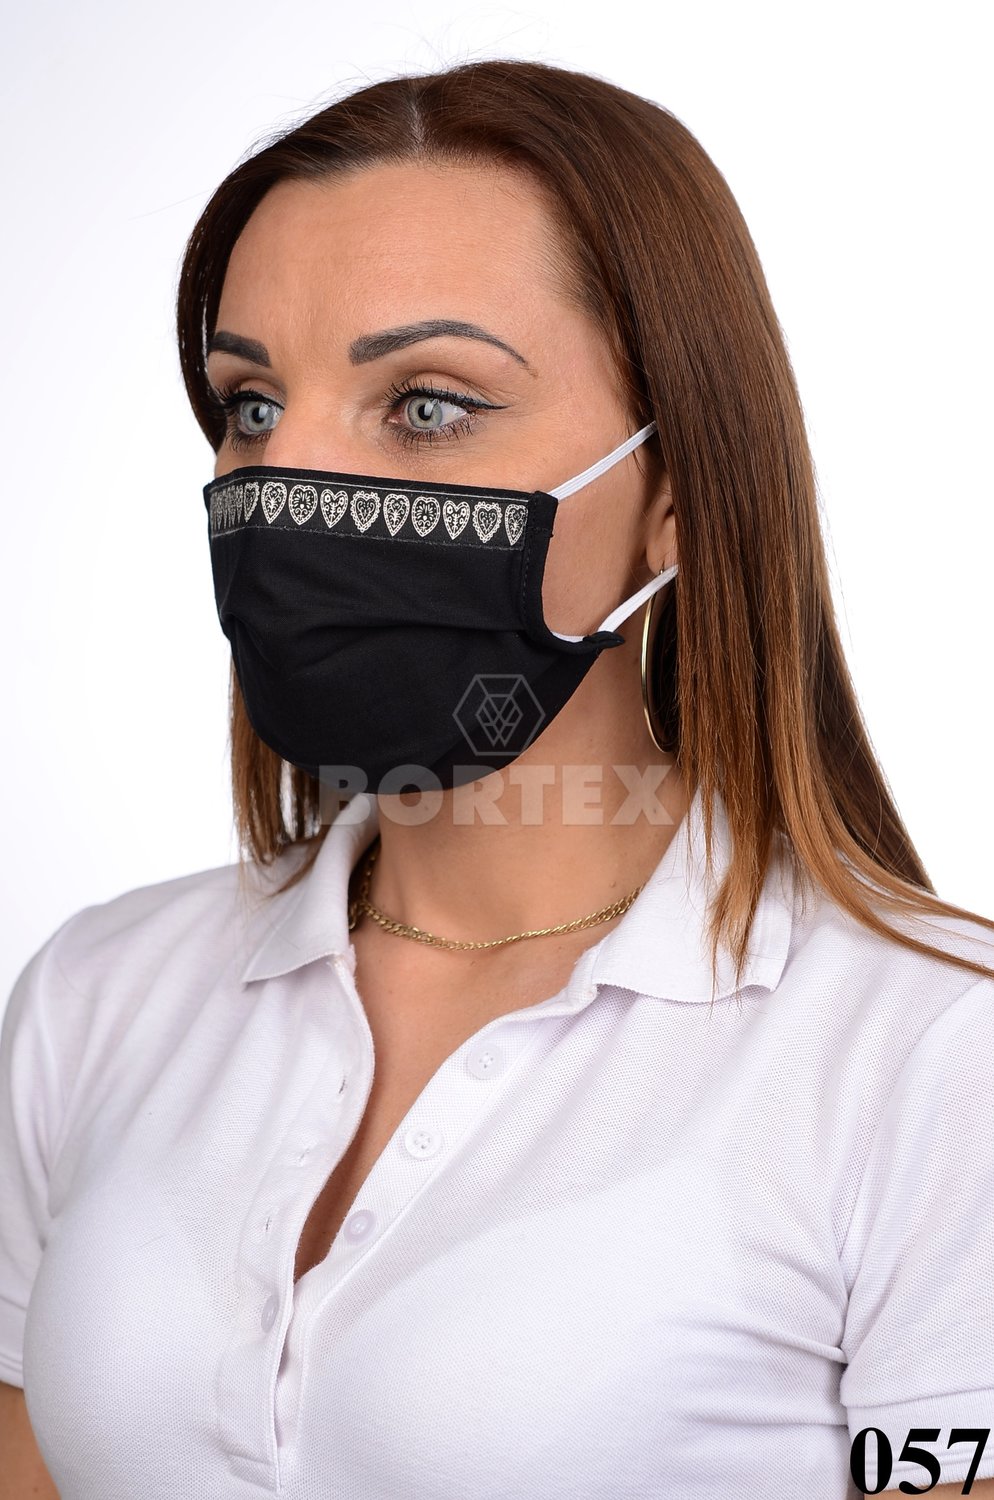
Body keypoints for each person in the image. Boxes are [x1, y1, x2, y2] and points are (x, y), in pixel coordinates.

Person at [1, 58, 992, 1500]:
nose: (286, 481)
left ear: (674, 495)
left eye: (426, 406)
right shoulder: (97, 998)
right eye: (252, 405)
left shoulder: (927, 1055)